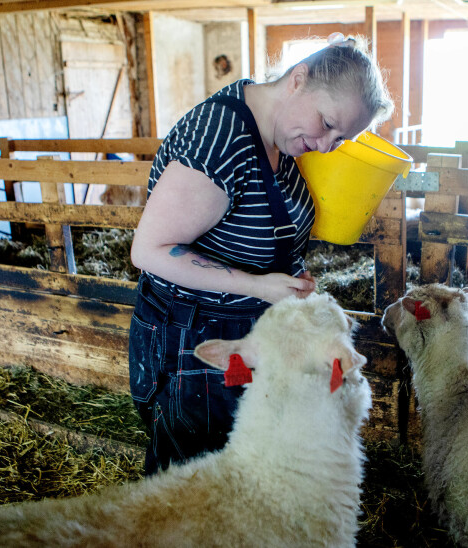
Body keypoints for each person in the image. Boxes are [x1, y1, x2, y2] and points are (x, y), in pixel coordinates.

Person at [128, 32, 393, 475]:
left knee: (245, 484)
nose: (327, 144)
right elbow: (149, 250)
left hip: (249, 336)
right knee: (197, 491)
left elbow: (252, 230)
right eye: (327, 123)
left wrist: (287, 278)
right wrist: (257, 285)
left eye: (341, 138)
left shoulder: (282, 136)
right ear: (298, 79)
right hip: (193, 343)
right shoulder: (218, 139)